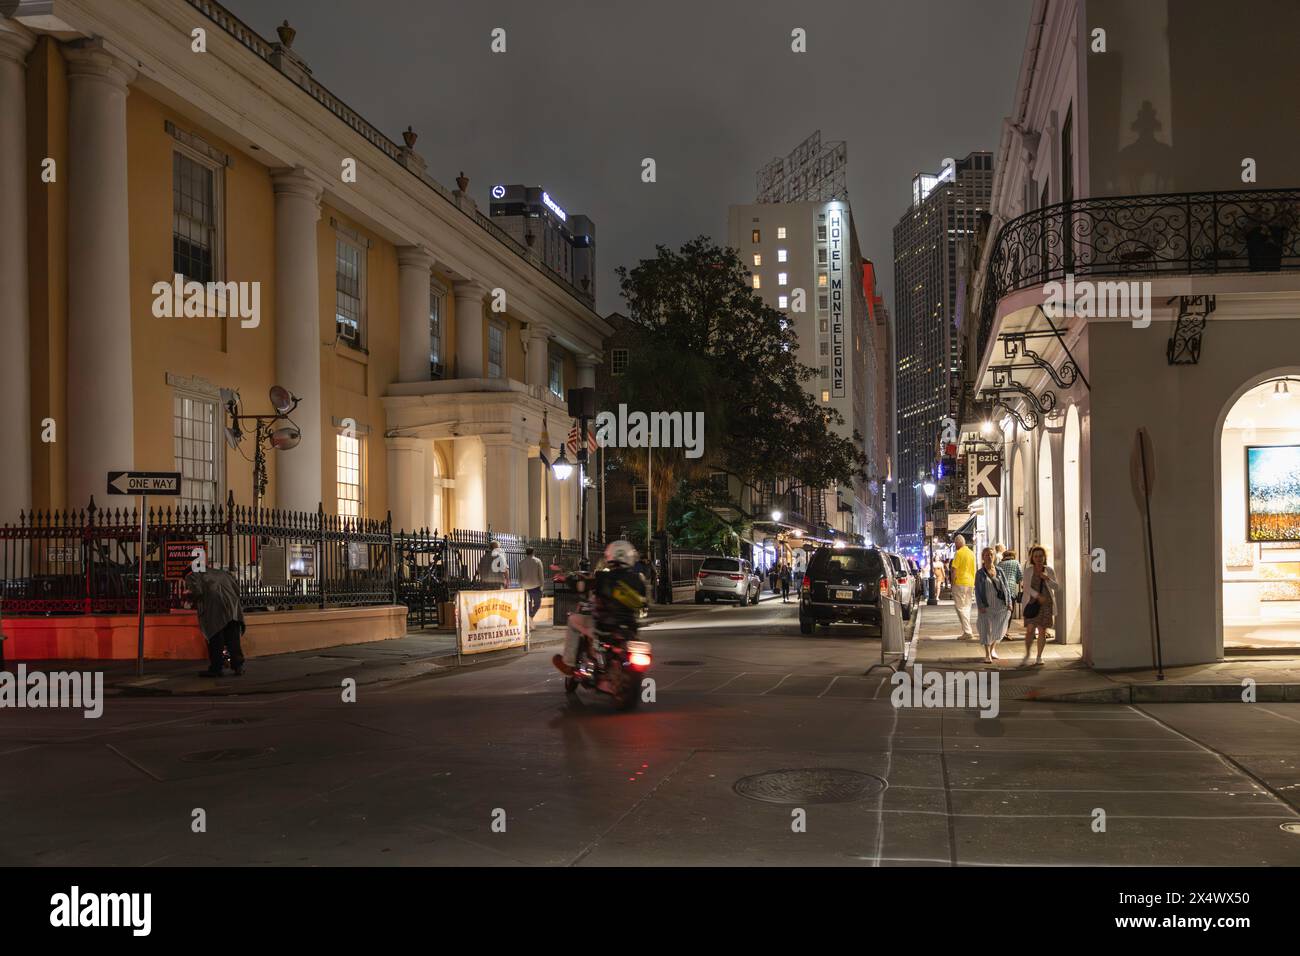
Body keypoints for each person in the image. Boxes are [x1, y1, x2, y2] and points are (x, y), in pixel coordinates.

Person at [553, 540, 648, 675]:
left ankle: (568, 663)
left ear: (610, 556)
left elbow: (581, 587)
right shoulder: (639, 579)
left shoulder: (603, 577)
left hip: (604, 627)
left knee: (573, 620)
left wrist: (567, 579)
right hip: (629, 628)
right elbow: (644, 605)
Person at [184, 566, 247, 678]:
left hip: (214, 608)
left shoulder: (192, 575)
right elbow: (237, 589)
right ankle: (238, 666)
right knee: (233, 638)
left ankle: (216, 668)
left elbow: (197, 591)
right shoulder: (222, 573)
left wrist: (189, 598)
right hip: (232, 606)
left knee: (215, 637)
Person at [1021, 545, 1058, 666]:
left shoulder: (1049, 570)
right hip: (1032, 603)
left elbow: (1056, 587)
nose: (1038, 558)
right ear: (1032, 558)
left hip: (1046, 604)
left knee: (1042, 630)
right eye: (1036, 556)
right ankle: (1027, 653)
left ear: (1044, 557)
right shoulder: (1028, 570)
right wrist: (1037, 596)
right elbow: (1026, 587)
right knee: (1030, 630)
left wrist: (1047, 579)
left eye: (1041, 556)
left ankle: (1039, 656)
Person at [974, 547, 1013, 664]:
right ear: (983, 558)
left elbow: (1006, 587)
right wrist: (980, 605)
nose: (989, 557)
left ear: (994, 556)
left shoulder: (1000, 571)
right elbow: (977, 591)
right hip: (987, 605)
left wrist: (1009, 602)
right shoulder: (980, 573)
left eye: (991, 555)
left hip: (1000, 604)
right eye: (986, 555)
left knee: (999, 628)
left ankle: (993, 649)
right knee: (986, 628)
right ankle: (987, 654)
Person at [950, 534, 977, 640]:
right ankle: (967, 631)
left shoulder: (959, 553)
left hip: (960, 582)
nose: (955, 545)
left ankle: (967, 631)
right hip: (970, 582)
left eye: (955, 543)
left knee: (960, 607)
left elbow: (954, 569)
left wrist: (952, 582)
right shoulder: (971, 553)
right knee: (967, 607)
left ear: (958, 543)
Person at [997, 548, 1024, 636]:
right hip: (1011, 590)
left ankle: (1000, 631)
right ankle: (1006, 632)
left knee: (1001, 611)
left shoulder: (999, 564)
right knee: (1009, 611)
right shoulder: (1015, 563)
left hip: (1001, 590)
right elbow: (1020, 577)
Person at [518, 546, 545, 620]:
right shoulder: (537, 561)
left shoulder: (521, 562)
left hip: (525, 587)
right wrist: (542, 585)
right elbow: (541, 574)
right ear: (533, 552)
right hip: (535, 586)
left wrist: (521, 585)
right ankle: (531, 616)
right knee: (537, 603)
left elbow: (519, 575)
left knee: (527, 604)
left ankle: (528, 618)